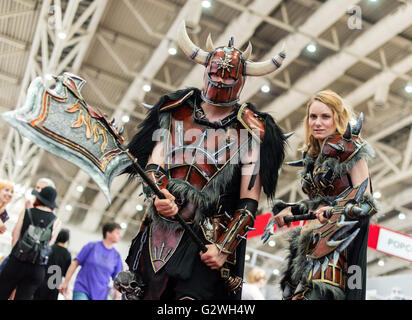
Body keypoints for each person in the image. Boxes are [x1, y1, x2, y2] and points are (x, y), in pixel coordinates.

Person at [116, 21, 286, 300]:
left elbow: (248, 202)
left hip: (208, 241)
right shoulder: (176, 109)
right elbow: (154, 165)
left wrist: (224, 249)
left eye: (227, 78)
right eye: (214, 74)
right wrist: (160, 195)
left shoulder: (253, 129)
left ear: (240, 80)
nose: (218, 81)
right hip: (159, 231)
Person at [265, 90, 377, 300]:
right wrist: (292, 209)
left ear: (337, 118)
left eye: (325, 116)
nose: (317, 122)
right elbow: (317, 203)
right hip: (309, 242)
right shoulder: (311, 155)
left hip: (337, 247)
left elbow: (366, 202)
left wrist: (335, 211)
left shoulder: (351, 151)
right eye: (313, 116)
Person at [0, 186, 61, 300]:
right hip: (37, 268)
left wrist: (16, 255)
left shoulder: (27, 212)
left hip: (16, 262)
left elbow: (15, 235)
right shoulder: (56, 221)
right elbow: (49, 244)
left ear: (38, 198)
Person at [59, 222, 123, 300]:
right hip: (82, 289)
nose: (120, 236)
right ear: (108, 233)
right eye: (117, 233)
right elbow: (75, 264)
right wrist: (66, 282)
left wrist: (117, 296)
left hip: (100, 295)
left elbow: (118, 279)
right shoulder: (91, 246)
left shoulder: (116, 256)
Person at [32, 228, 72, 300]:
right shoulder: (67, 254)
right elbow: (66, 273)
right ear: (67, 240)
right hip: (54, 286)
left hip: (41, 282)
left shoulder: (50, 248)